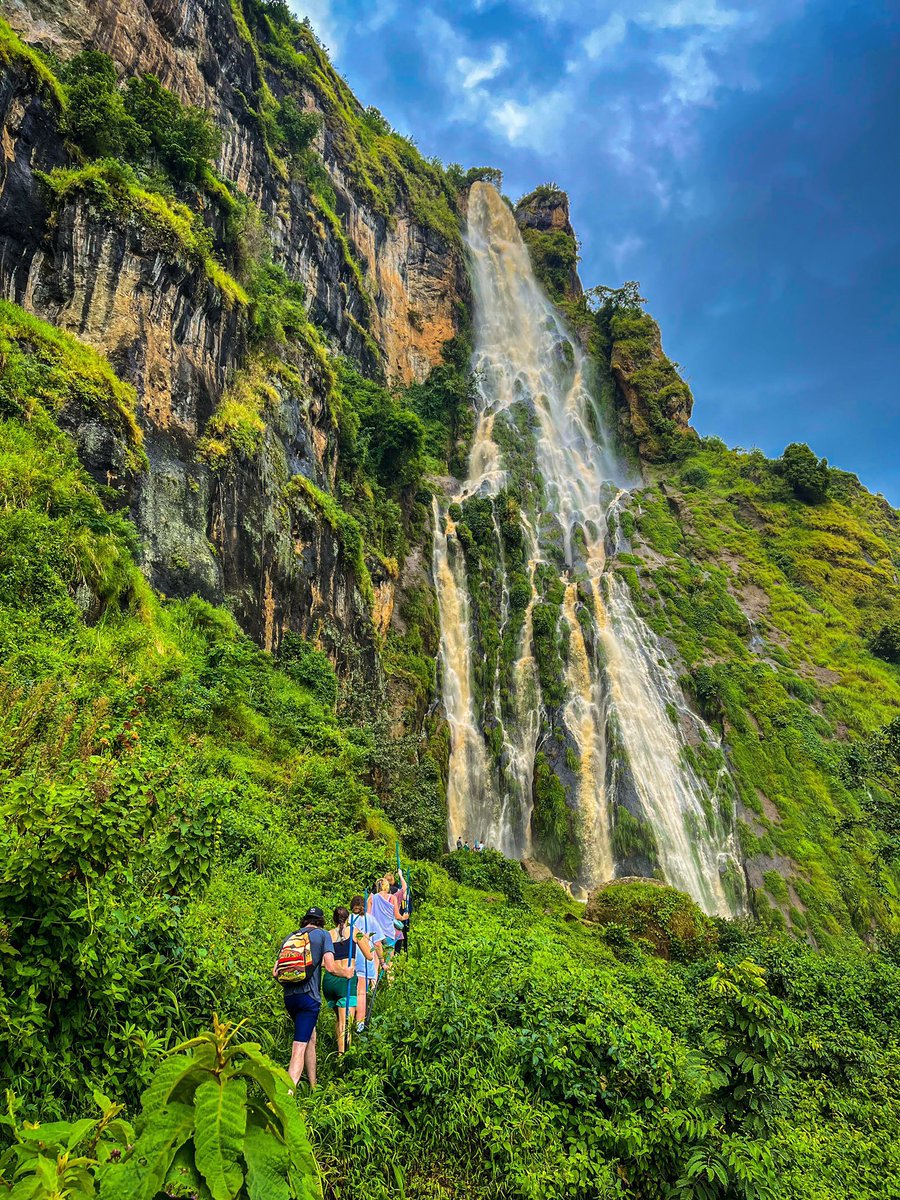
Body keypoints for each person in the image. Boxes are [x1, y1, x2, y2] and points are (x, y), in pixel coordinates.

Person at [274, 906, 355, 1087]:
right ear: (321, 921)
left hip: (290, 998)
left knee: (311, 1037)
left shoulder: (291, 937)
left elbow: (275, 972)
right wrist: (347, 973)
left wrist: (291, 985)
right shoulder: (323, 935)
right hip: (308, 999)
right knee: (299, 1048)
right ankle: (287, 1095)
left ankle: (313, 1085)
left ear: (305, 920)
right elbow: (331, 967)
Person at [322, 905, 373, 1055]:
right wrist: (365, 938)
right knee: (346, 1023)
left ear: (334, 919)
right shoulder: (354, 932)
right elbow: (369, 956)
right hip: (346, 980)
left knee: (339, 1019)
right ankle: (342, 1058)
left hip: (330, 980)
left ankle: (340, 1053)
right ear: (348, 918)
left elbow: (322, 960)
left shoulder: (327, 935)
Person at [350, 894, 383, 1031]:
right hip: (366, 959)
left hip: (349, 960)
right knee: (362, 993)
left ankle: (348, 1025)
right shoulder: (371, 919)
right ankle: (359, 1026)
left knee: (351, 994)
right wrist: (381, 961)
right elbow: (378, 943)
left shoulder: (349, 920)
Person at [368, 875, 407, 980]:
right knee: (390, 960)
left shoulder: (372, 898)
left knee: (375, 960)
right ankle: (390, 984)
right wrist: (404, 917)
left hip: (375, 933)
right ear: (387, 887)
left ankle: (373, 985)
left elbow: (368, 916)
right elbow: (397, 916)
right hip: (389, 932)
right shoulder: (392, 898)